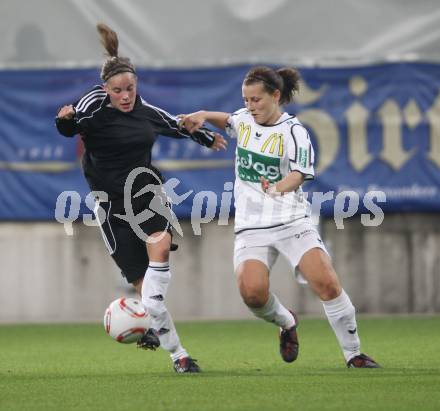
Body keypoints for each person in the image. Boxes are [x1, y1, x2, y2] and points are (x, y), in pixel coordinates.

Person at [55, 23, 227, 373]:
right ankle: (178, 355)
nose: (125, 95)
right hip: (109, 206)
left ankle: (150, 314)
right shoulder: (94, 106)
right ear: (106, 89)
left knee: (160, 247)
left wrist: (203, 137)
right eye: (118, 90)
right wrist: (66, 121)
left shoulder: (144, 110)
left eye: (130, 88)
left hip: (146, 195)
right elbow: (72, 125)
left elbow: (173, 124)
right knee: (143, 286)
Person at [181, 66, 379, 368]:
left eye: (256, 100)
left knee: (326, 283)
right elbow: (230, 121)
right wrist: (205, 114)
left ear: (276, 95)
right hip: (251, 226)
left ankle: (354, 354)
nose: (250, 106)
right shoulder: (245, 119)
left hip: (292, 220)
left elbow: (300, 173)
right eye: (246, 100)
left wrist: (277, 187)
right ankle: (287, 322)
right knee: (252, 295)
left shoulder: (295, 132)